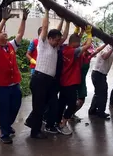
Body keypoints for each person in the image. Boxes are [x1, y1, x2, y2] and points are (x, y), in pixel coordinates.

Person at [25, 7, 68, 139]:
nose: (57, 42)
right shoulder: (43, 44)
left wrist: (67, 21)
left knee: (49, 104)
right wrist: (47, 11)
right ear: (48, 38)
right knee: (38, 106)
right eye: (55, 40)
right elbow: (45, 27)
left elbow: (63, 35)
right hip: (39, 79)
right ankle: (35, 132)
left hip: (49, 81)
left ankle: (34, 122)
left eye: (58, 40)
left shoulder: (55, 48)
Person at [0, 7, 28, 144]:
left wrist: (23, 20)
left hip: (14, 84)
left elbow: (20, 34)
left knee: (15, 106)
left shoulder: (10, 46)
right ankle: (4, 133)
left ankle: (7, 125)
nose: (4, 33)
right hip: (2, 86)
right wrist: (4, 20)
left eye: (5, 32)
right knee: (3, 109)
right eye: (2, 32)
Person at [56, 25, 93, 135]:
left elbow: (77, 40)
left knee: (61, 103)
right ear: (75, 43)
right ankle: (63, 124)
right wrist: (89, 34)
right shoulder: (73, 51)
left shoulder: (65, 48)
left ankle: (57, 122)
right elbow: (87, 45)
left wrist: (79, 31)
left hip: (64, 82)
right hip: (70, 83)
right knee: (72, 104)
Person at [72, 27, 107, 119]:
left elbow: (97, 50)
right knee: (76, 100)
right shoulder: (79, 56)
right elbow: (78, 44)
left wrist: (105, 44)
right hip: (75, 80)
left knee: (81, 100)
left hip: (82, 81)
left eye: (89, 52)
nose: (89, 53)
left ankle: (71, 114)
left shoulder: (88, 58)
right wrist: (86, 33)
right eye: (87, 51)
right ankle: (68, 114)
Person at [88, 32, 113, 119]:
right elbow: (105, 56)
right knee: (103, 93)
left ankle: (92, 110)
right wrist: (112, 48)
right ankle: (101, 112)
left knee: (98, 93)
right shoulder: (104, 47)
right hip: (97, 73)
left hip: (103, 74)